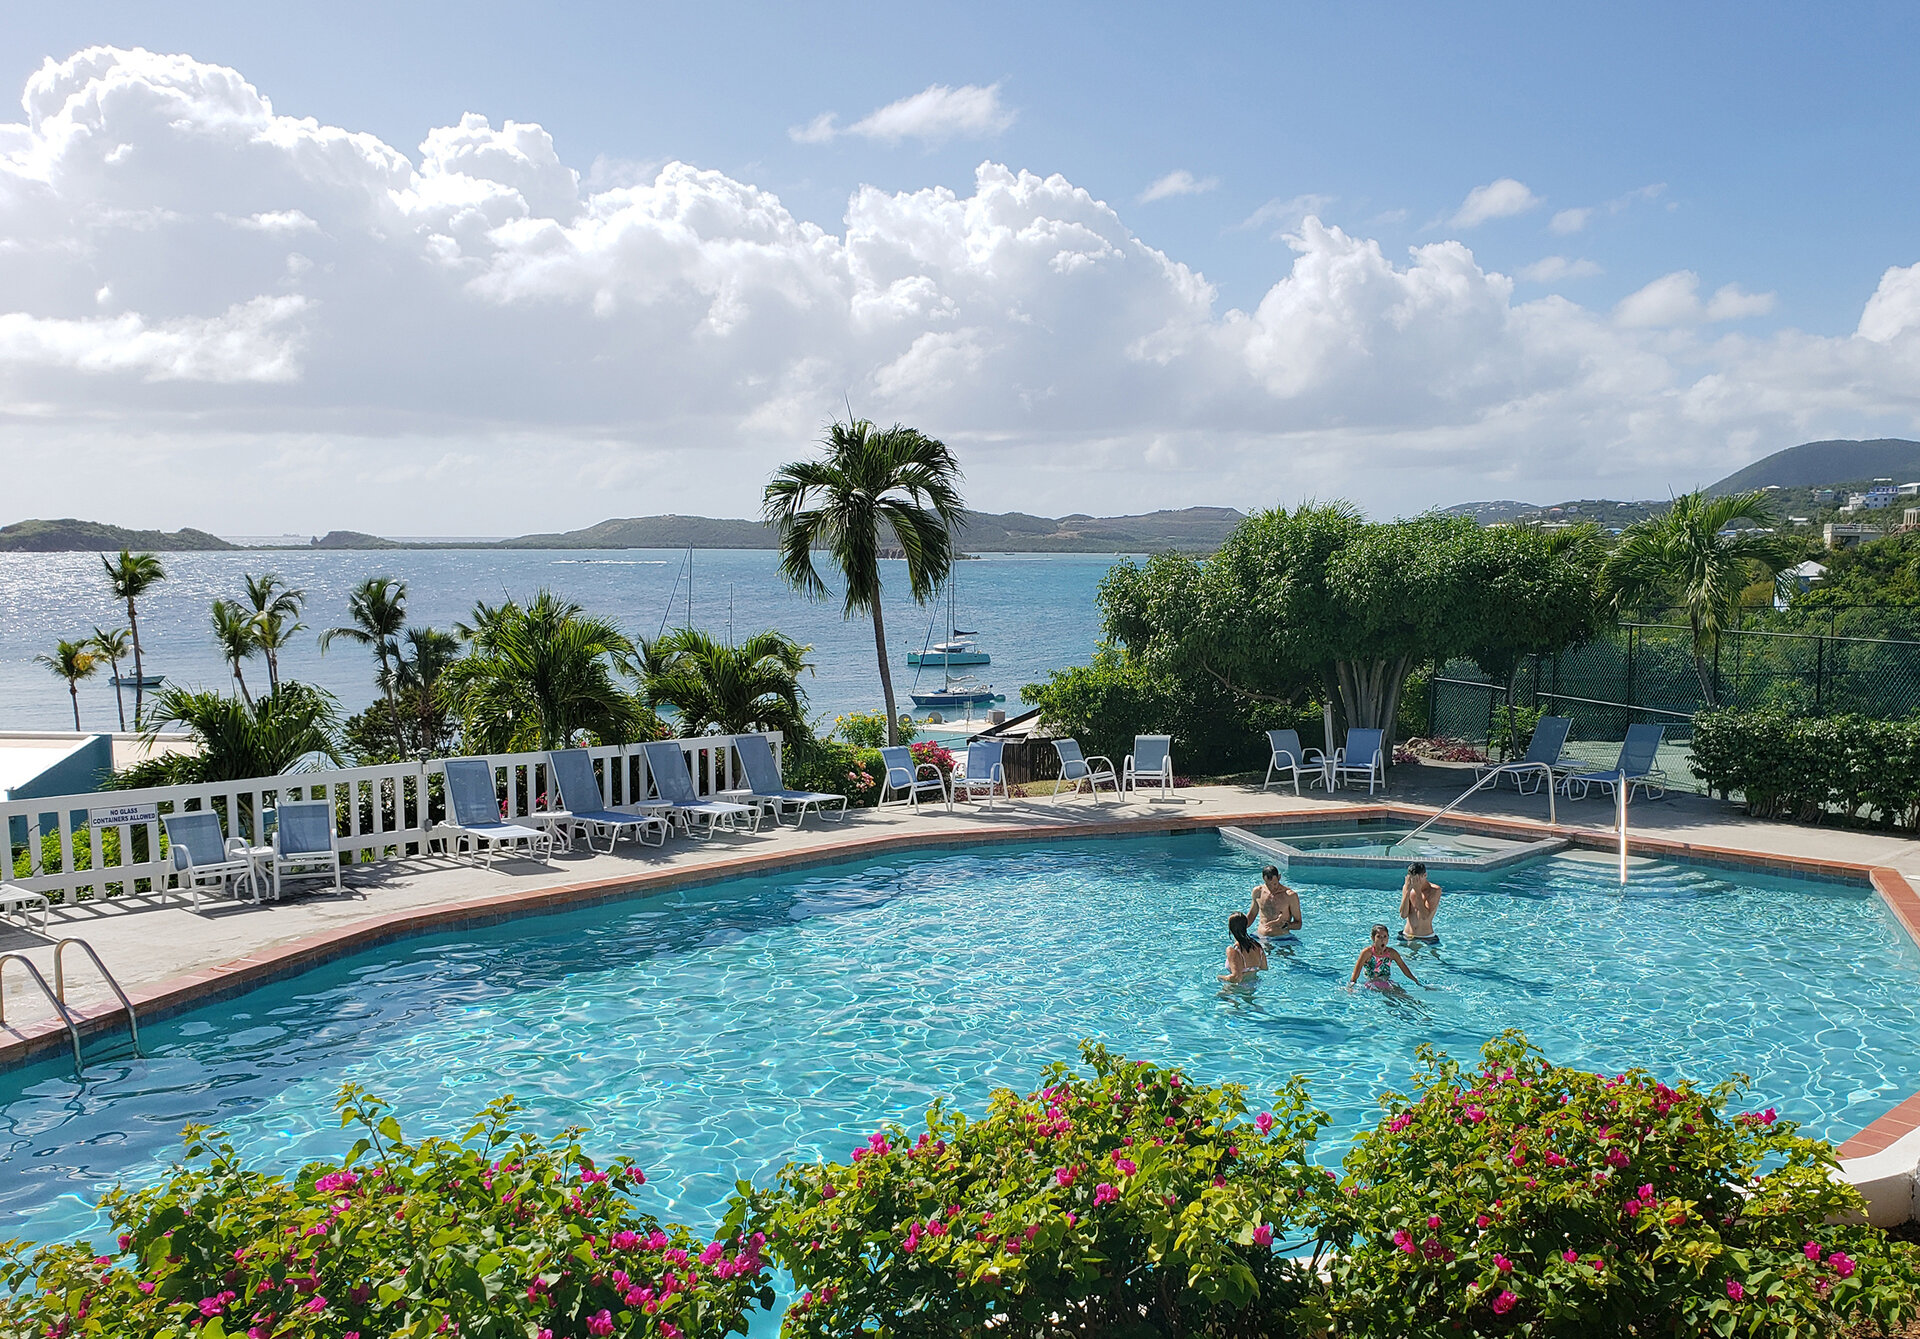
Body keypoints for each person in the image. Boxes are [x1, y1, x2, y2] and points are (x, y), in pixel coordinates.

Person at [1349, 923, 1422, 992]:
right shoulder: (1367, 953)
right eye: (1379, 937)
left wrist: (1417, 982)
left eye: (1385, 936)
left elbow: (1405, 969)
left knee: (1403, 995)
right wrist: (1350, 987)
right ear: (1373, 938)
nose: (1382, 940)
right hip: (1372, 983)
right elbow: (1355, 975)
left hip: (1386, 981)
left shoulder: (1392, 953)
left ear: (1388, 938)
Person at [1247, 865, 1302, 941]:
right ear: (1264, 879)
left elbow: (1298, 924)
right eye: (1268, 885)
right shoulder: (1258, 892)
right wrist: (1239, 928)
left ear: (1279, 877)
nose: (1272, 887)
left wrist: (1284, 925)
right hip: (1260, 936)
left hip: (1282, 938)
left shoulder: (1290, 896)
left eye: (1275, 884)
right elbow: (1251, 916)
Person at [1399, 862, 1442, 946]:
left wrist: (1418, 892)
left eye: (1417, 880)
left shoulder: (1434, 890)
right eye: (1412, 879)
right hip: (1407, 934)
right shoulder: (1406, 888)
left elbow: (1425, 916)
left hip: (1427, 937)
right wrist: (1407, 892)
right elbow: (1403, 915)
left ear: (1425, 875)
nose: (1414, 883)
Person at [1222, 912, 1269, 982]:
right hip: (1254, 985)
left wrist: (1220, 977)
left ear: (1230, 929)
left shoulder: (1232, 950)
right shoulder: (1258, 947)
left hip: (1239, 987)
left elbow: (1236, 977)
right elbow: (1264, 968)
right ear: (1246, 926)